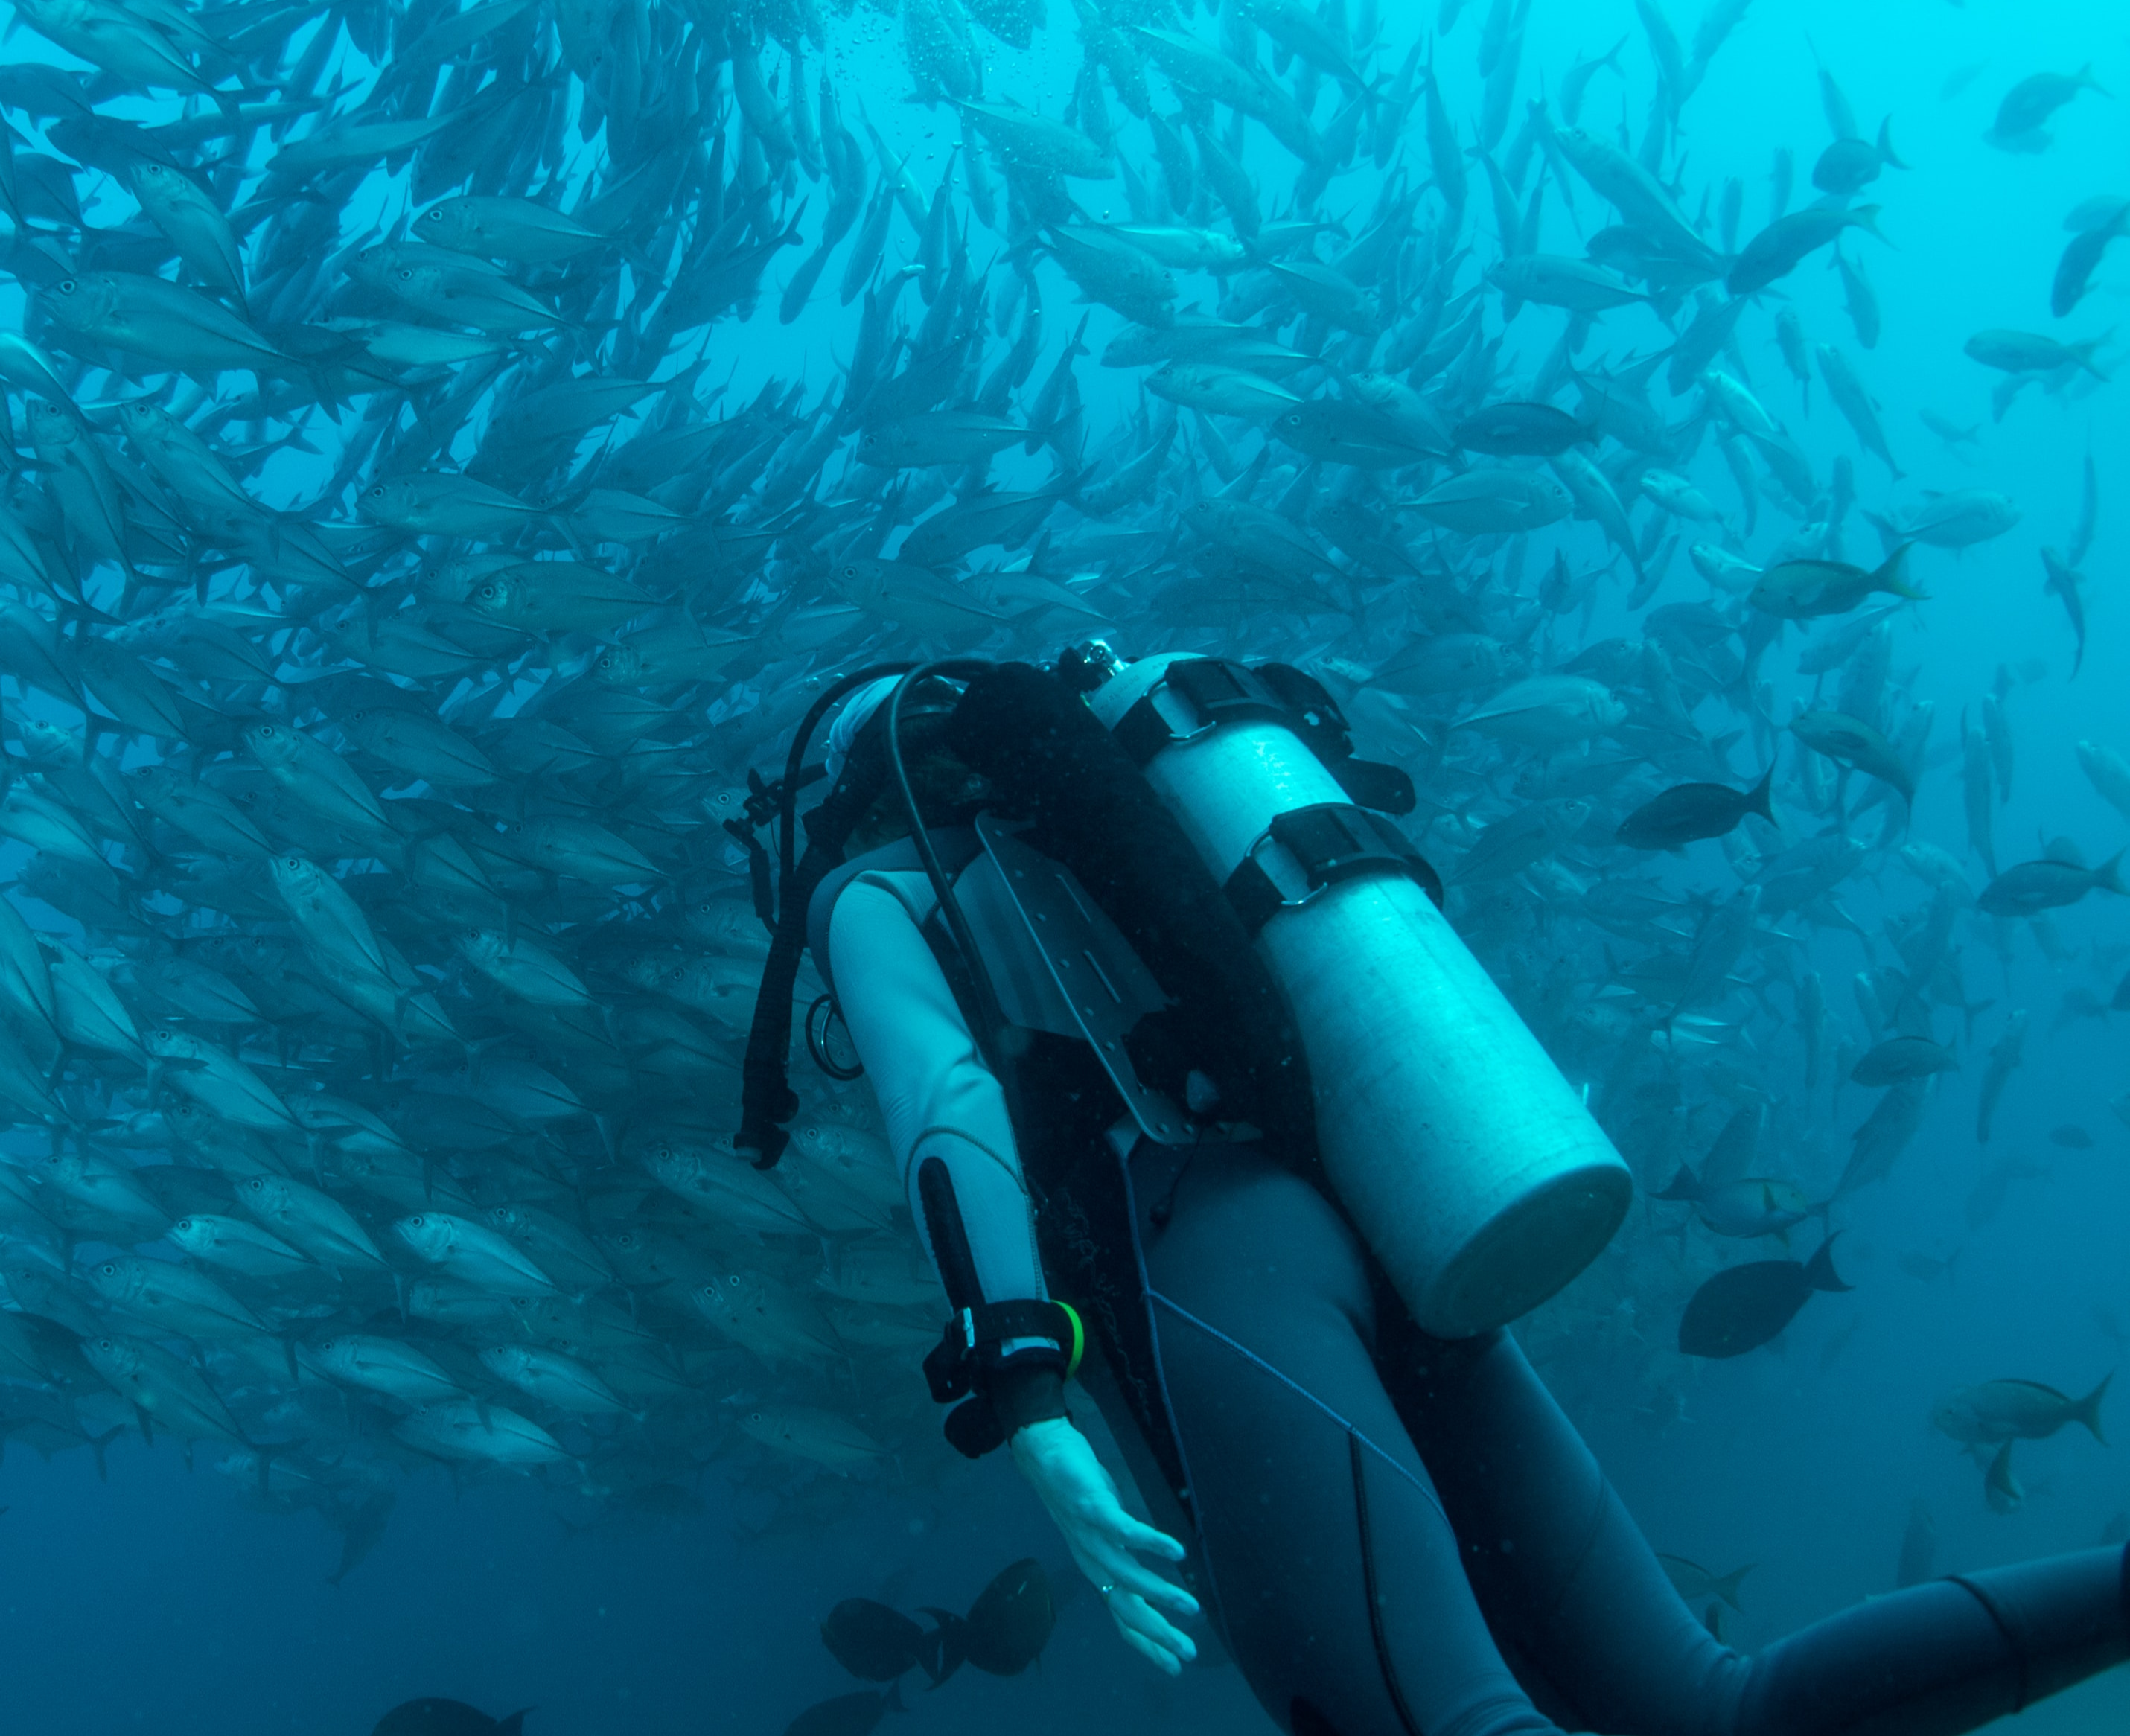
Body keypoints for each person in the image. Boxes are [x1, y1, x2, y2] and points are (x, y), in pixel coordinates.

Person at [729, 652, 2130, 1736]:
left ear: (862, 787)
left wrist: (1027, 1394)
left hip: (1219, 1268)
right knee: (1711, 1704)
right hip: (1379, 1221)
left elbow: (946, 1107)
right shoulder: (1133, 838)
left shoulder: (878, 890)